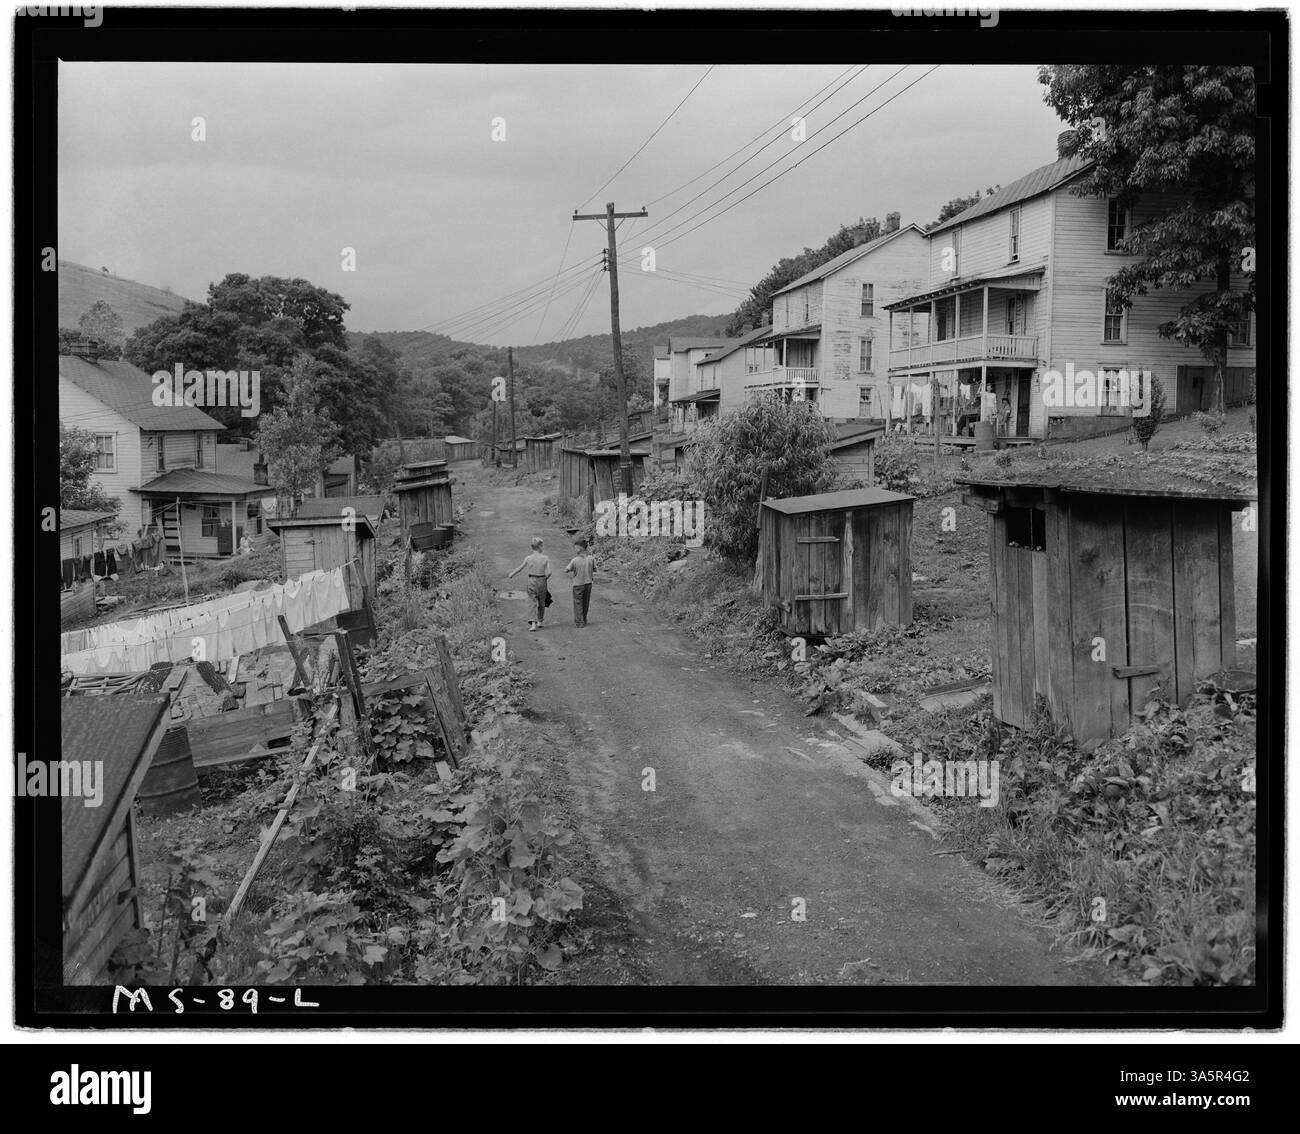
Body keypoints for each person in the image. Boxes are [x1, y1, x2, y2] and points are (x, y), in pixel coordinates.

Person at [508, 537, 551, 630]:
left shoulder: (528, 558)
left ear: (532, 548)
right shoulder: (545, 558)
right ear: (540, 547)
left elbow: (520, 568)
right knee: (542, 602)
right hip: (542, 580)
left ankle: (533, 624)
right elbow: (549, 572)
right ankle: (540, 621)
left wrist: (512, 574)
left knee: (532, 602)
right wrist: (544, 578)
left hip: (532, 580)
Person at [563, 537, 596, 627]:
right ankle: (584, 619)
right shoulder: (591, 558)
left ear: (580, 548)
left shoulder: (575, 560)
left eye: (575, 548)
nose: (574, 549)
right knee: (586, 602)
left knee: (578, 602)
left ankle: (579, 622)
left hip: (578, 584)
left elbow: (566, 569)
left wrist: (569, 570)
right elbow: (595, 569)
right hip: (588, 583)